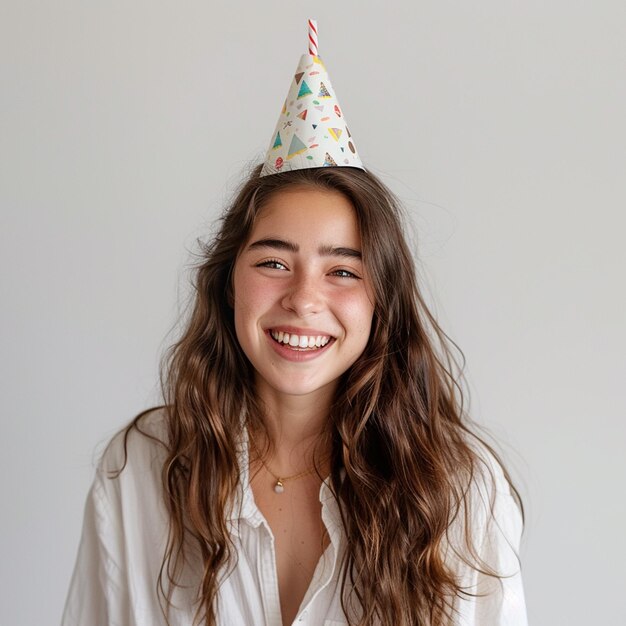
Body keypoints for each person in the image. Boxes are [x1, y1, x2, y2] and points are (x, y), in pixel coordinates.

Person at [62, 21, 528, 626]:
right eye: (274, 262)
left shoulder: (460, 490)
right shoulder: (140, 470)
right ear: (229, 280)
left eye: (342, 271)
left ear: (382, 299)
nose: (304, 300)